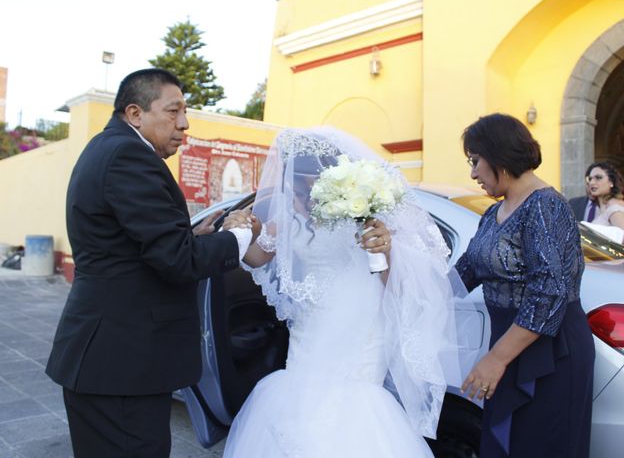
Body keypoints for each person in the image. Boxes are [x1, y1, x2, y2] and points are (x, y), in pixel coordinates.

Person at [45, 68, 259, 458]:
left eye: (186, 112)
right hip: (122, 364)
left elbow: (135, 246)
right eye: (174, 111)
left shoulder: (109, 148)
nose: (185, 123)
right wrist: (239, 235)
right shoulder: (128, 156)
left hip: (112, 358)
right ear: (135, 113)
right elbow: (177, 261)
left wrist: (194, 237)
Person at [222, 127, 461, 457]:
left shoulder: (365, 218)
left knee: (354, 410)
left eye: (305, 184)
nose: (298, 194)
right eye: (294, 185)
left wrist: (386, 249)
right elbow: (258, 256)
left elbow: (394, 282)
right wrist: (237, 231)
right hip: (310, 332)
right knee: (303, 410)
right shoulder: (290, 221)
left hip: (361, 330)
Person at [455, 113, 595, 457]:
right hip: (508, 345)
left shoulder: (546, 205)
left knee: (541, 445)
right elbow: (462, 276)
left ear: (498, 154)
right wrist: (393, 259)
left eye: (475, 161)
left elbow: (548, 294)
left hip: (550, 349)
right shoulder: (494, 212)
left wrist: (495, 360)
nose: (473, 173)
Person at [585, 161, 624, 231]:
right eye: (590, 179)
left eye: (598, 177)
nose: (591, 182)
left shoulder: (614, 206)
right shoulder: (600, 207)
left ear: (611, 182)